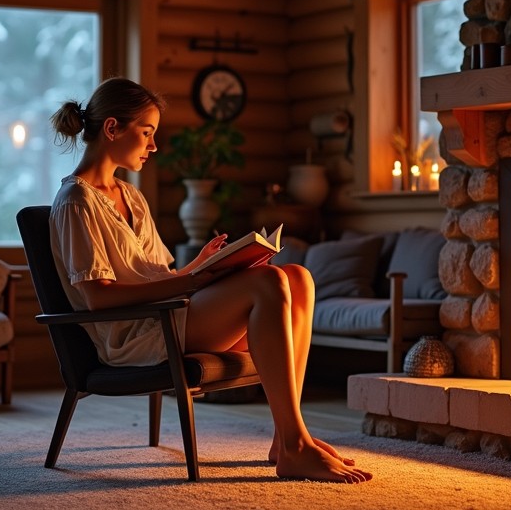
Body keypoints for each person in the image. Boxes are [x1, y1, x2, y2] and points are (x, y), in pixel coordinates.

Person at [48, 77, 372, 484]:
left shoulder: (130, 196)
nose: (153, 146)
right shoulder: (76, 202)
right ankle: (295, 448)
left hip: (170, 315)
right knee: (268, 284)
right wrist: (193, 283)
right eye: (146, 133)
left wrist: (201, 266)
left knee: (298, 278)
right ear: (113, 129)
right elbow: (98, 298)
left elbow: (159, 275)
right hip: (138, 337)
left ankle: (287, 436)